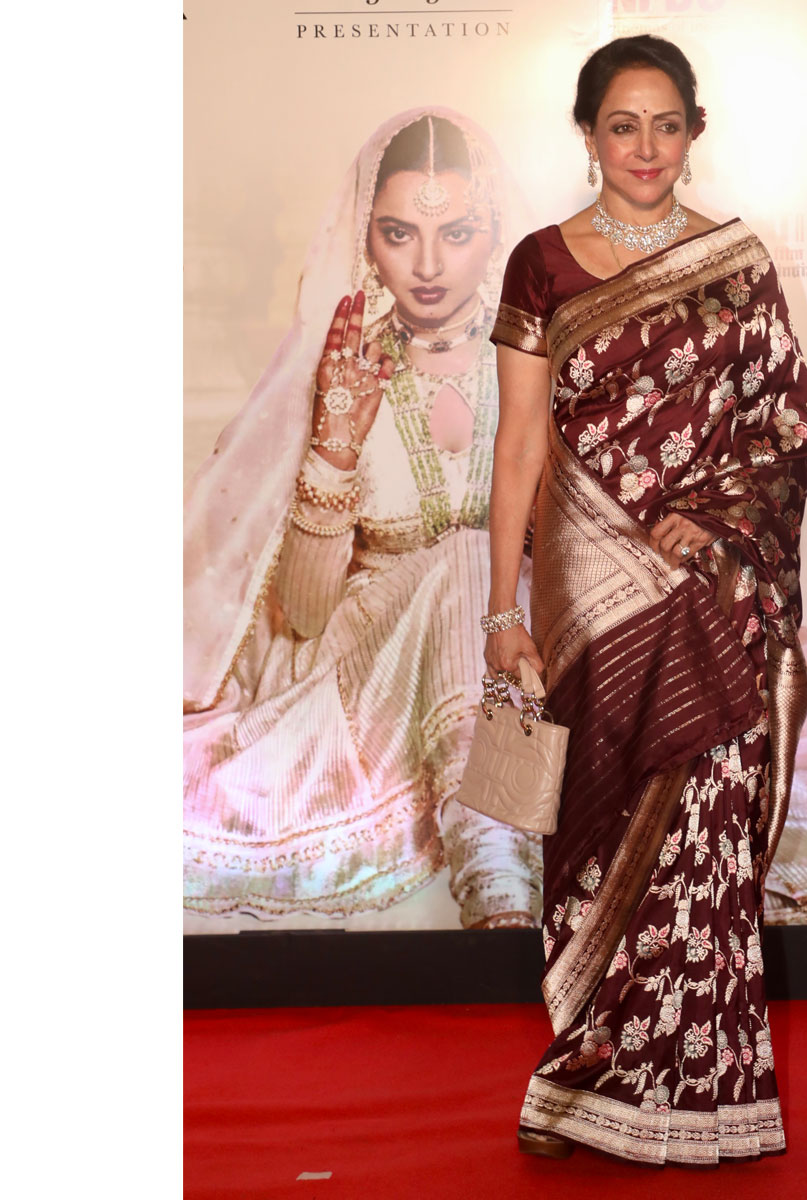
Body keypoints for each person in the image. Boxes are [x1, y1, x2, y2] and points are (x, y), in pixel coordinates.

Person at [483, 35, 807, 1165]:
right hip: (586, 598)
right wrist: (502, 610)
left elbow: (788, 431)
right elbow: (518, 445)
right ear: (587, 134)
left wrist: (718, 520)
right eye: (622, 125)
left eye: (665, 125)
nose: (645, 147)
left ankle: (697, 1093)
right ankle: (588, 1075)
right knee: (594, 837)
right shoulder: (540, 264)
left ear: (693, 132)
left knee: (700, 838)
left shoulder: (737, 263)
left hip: (704, 595)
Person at [182, 107, 542, 930]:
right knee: (467, 560)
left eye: (456, 234)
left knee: (491, 575)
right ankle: (497, 865)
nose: (427, 265)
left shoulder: (534, 366)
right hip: (374, 672)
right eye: (398, 233)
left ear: (497, 234)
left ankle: (501, 855)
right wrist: (335, 451)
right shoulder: (341, 368)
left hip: (521, 658)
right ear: (365, 236)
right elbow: (306, 618)